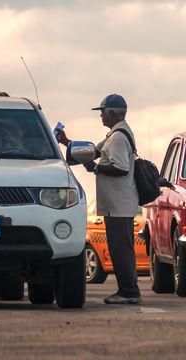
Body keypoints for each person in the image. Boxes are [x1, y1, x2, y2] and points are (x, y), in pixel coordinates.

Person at [56, 93, 141, 304]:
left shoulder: (119, 137)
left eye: (102, 112)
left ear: (112, 113)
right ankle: (128, 290)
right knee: (120, 248)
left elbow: (120, 168)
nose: (100, 116)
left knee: (121, 249)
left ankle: (128, 292)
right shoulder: (116, 134)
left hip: (119, 205)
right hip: (118, 205)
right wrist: (67, 142)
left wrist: (95, 168)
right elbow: (93, 151)